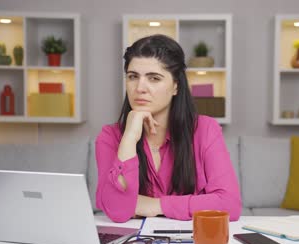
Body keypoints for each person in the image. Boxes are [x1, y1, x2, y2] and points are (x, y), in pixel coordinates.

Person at [95, 34, 241, 223]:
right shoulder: (110, 136)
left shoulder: (205, 129)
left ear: (175, 87)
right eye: (133, 77)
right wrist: (129, 137)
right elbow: (116, 210)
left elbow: (229, 204)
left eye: (154, 78)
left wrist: (154, 205)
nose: (140, 88)